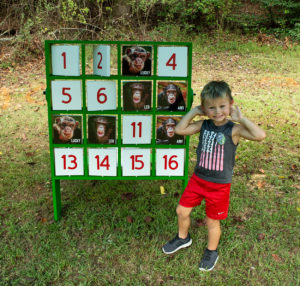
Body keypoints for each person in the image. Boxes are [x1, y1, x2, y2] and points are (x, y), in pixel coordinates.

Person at [162, 81, 266, 271]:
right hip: (198, 180)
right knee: (181, 211)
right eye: (211, 107)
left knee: (212, 220)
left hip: (219, 186)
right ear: (205, 108)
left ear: (230, 104)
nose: (217, 111)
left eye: (222, 106)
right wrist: (194, 112)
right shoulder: (204, 124)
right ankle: (183, 238)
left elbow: (260, 135)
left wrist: (242, 119)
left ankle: (212, 251)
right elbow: (179, 130)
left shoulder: (234, 129)